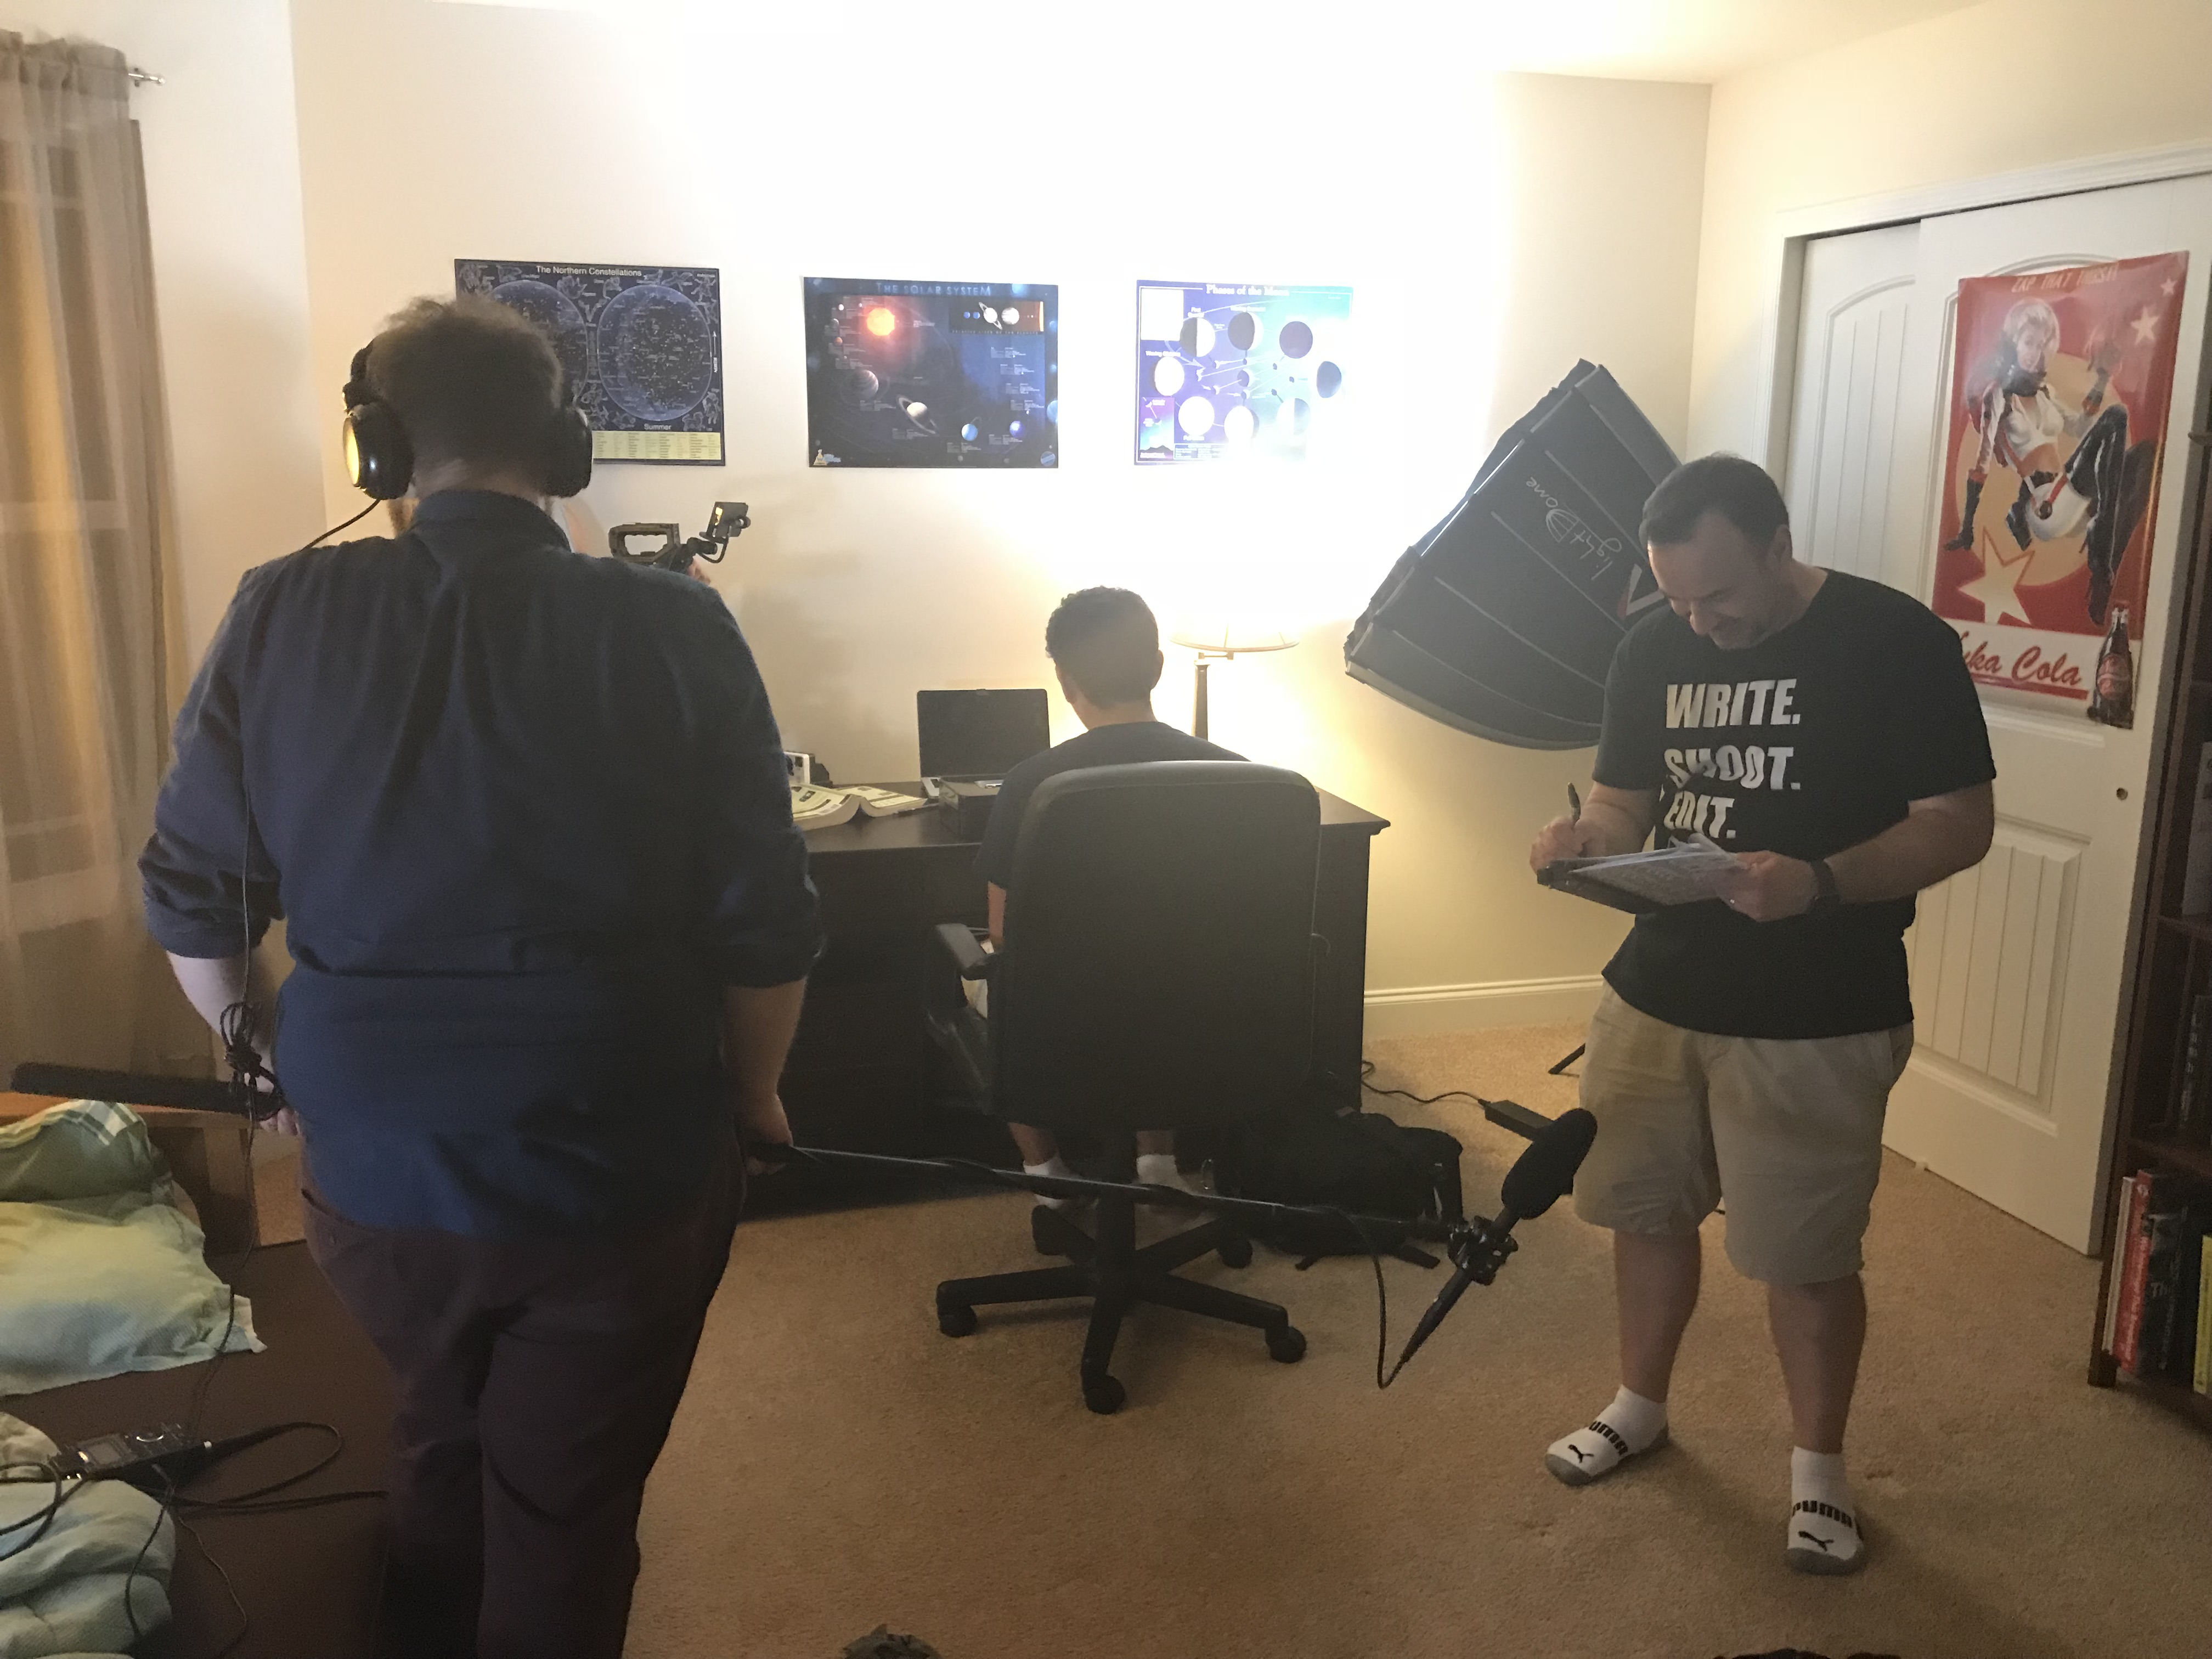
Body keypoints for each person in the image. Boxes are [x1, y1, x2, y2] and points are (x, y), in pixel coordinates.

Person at [140, 296, 821, 1659]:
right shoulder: (677, 626)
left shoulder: (279, 607)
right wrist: (757, 1099)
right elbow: (765, 924)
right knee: (566, 1499)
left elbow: (191, 895)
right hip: (621, 1167)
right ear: (565, 448)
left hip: (370, 1172)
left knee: (439, 1431)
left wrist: (260, 1061)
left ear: (377, 450)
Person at [1527, 454, 1994, 1577]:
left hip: (1819, 1007)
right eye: (1678, 598)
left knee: (1804, 1253)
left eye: (1720, 595)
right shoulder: (1654, 643)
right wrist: (1586, 840)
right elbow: (1625, 796)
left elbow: (1958, 821)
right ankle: (1640, 1405)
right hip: (1656, 986)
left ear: (1780, 545)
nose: (1702, 622)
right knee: (1644, 1210)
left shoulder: (1895, 641)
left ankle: (1818, 1470)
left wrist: (1819, 881)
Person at [972, 586, 1240, 1216]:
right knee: (1160, 970)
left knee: (983, 972)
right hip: (1194, 1006)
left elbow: (1004, 934)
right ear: (1157, 667)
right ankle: (1158, 1163)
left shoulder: (1033, 783)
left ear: (1066, 682)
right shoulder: (1234, 774)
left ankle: (1048, 1174)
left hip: (1068, 1017)